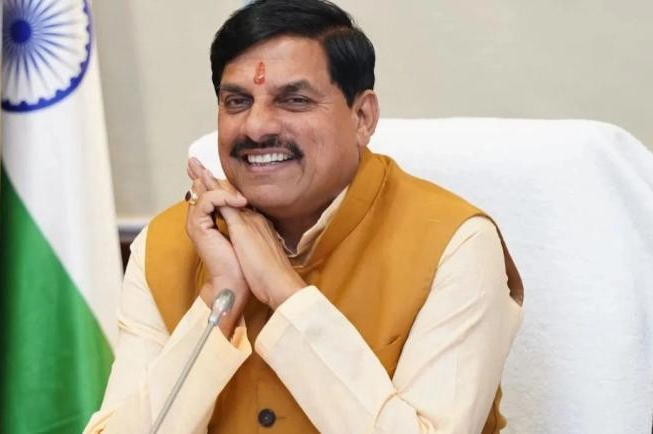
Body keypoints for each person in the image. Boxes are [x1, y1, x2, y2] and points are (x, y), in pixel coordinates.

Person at [84, 0, 524, 432]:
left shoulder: (454, 245)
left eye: (294, 100)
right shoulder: (169, 244)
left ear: (362, 117)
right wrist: (221, 296)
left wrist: (282, 289)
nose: (256, 127)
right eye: (236, 101)